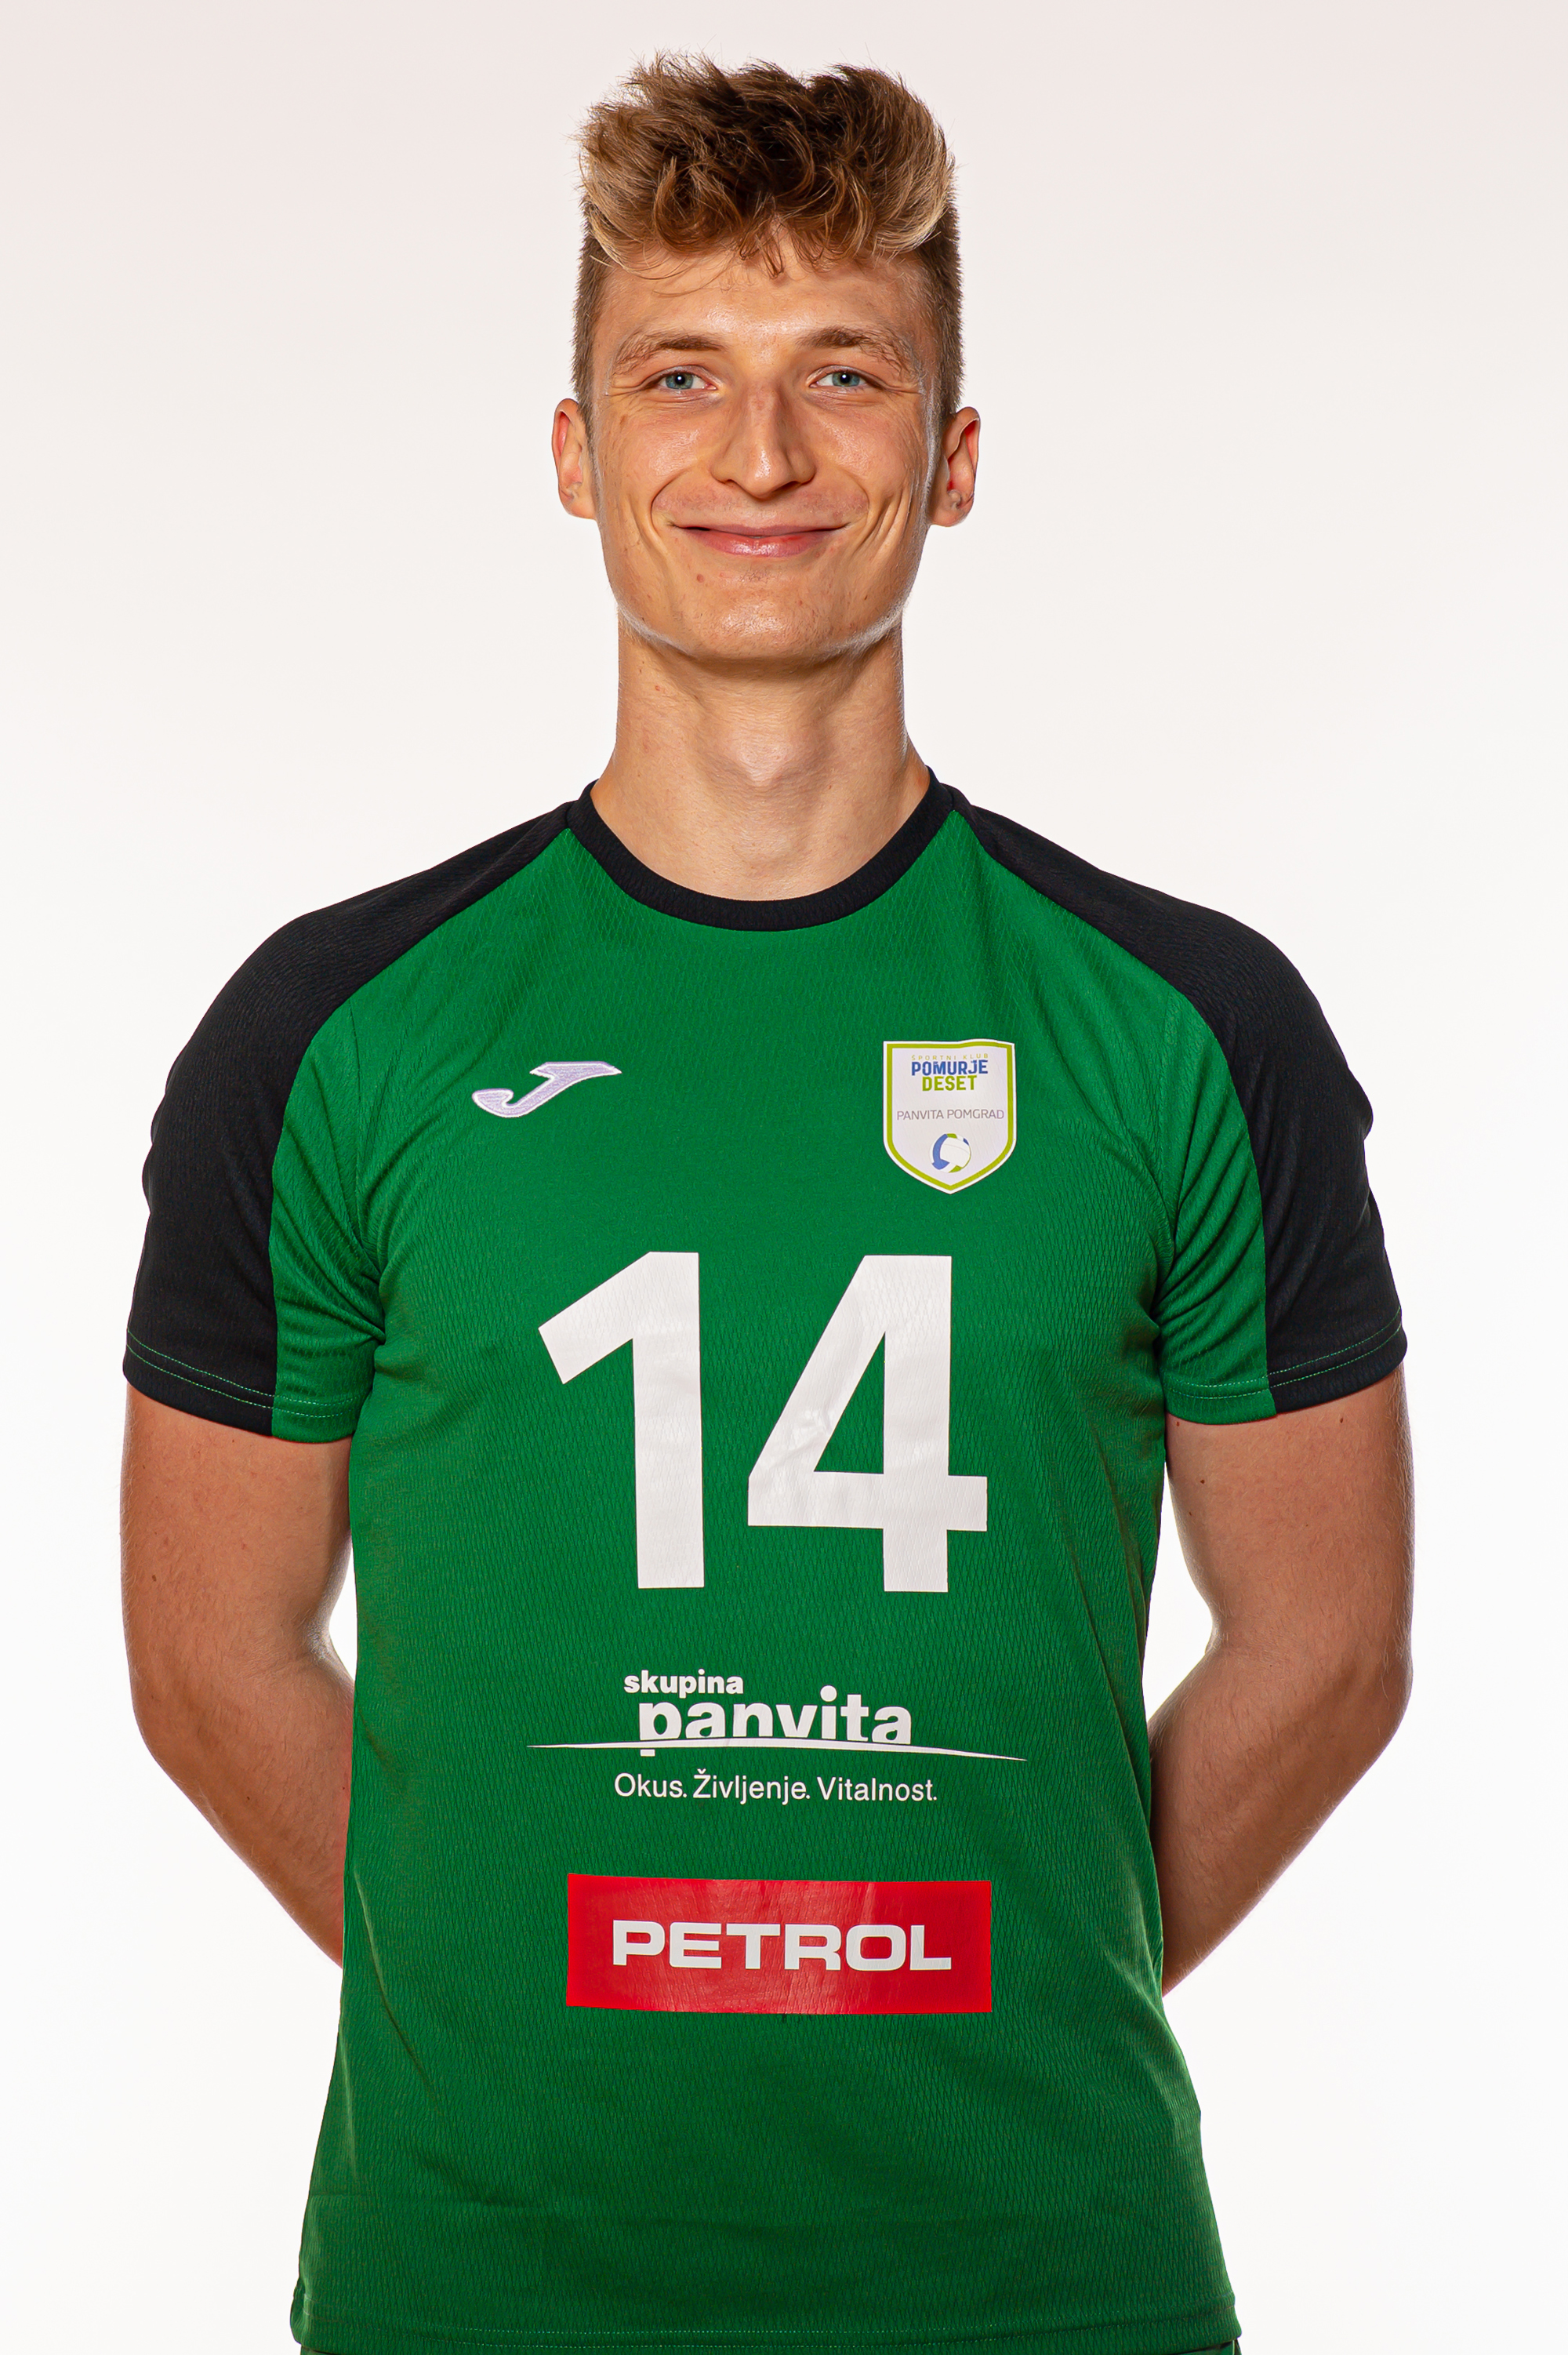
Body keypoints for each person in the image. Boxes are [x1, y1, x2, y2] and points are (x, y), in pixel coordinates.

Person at [122, 56, 1413, 2355]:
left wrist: (1021, 1963)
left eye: (845, 373)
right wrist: (515, 1990)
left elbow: (1328, 1646)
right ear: (572, 449)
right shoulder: (330, 1032)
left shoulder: (1192, 1027)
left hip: (1050, 2283)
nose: (761, 453)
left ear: (956, 454)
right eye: (680, 375)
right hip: (479, 2289)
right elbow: (207, 1656)